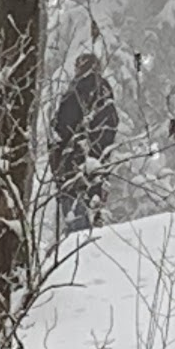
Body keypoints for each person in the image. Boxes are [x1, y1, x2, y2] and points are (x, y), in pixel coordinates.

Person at [49, 53, 119, 234]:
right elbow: (108, 133)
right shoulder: (105, 96)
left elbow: (64, 128)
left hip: (74, 166)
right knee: (90, 219)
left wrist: (60, 159)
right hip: (96, 168)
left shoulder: (79, 91)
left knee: (76, 225)